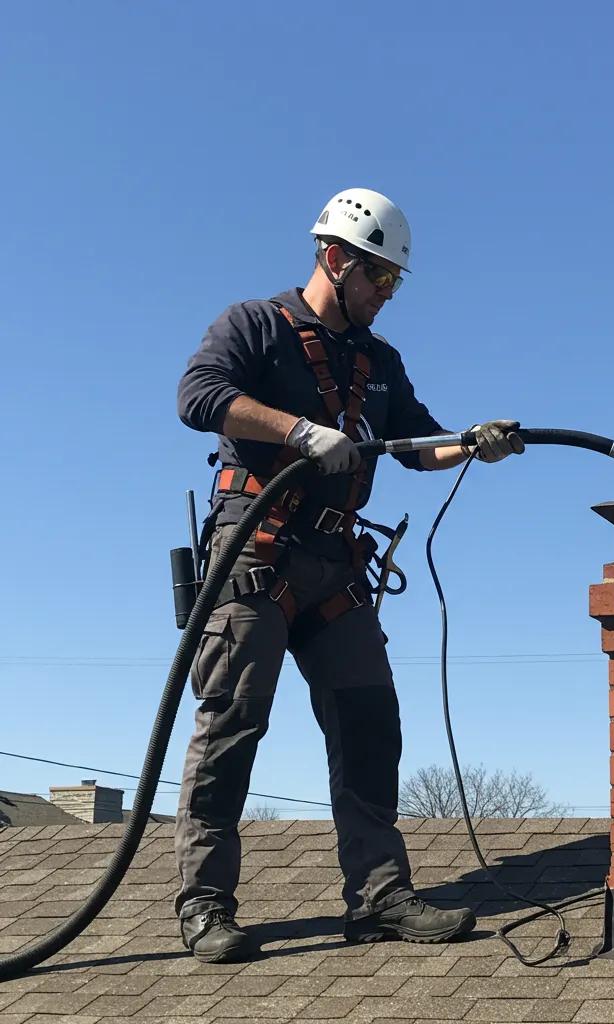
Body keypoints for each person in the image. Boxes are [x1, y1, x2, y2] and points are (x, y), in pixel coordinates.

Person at [173, 187, 523, 963]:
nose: (386, 297)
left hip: (335, 567)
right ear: (336, 258)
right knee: (232, 724)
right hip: (254, 554)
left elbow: (415, 445)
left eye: (395, 284)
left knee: (371, 720)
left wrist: (471, 443)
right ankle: (205, 904)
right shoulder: (253, 326)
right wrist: (298, 431)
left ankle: (378, 897)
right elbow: (198, 397)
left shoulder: (379, 362)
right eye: (380, 280)